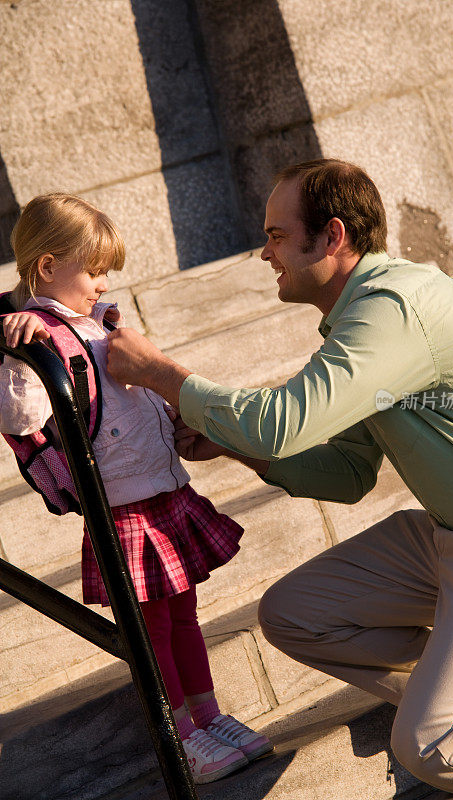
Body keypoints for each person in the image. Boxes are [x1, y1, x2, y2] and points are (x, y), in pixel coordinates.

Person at [107, 159, 453, 799]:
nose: (264, 252)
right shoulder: (366, 321)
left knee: (431, 746)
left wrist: (162, 373)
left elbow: (280, 424)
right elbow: (347, 474)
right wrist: (229, 443)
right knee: (295, 615)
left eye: (277, 235)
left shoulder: (396, 308)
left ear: (331, 237)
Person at [0, 193, 272, 785]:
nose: (102, 283)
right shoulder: (34, 339)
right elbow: (22, 419)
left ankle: (208, 715)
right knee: (151, 631)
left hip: (163, 488)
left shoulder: (100, 323)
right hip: (123, 504)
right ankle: (182, 735)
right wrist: (12, 337)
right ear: (47, 267)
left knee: (185, 617)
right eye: (93, 271)